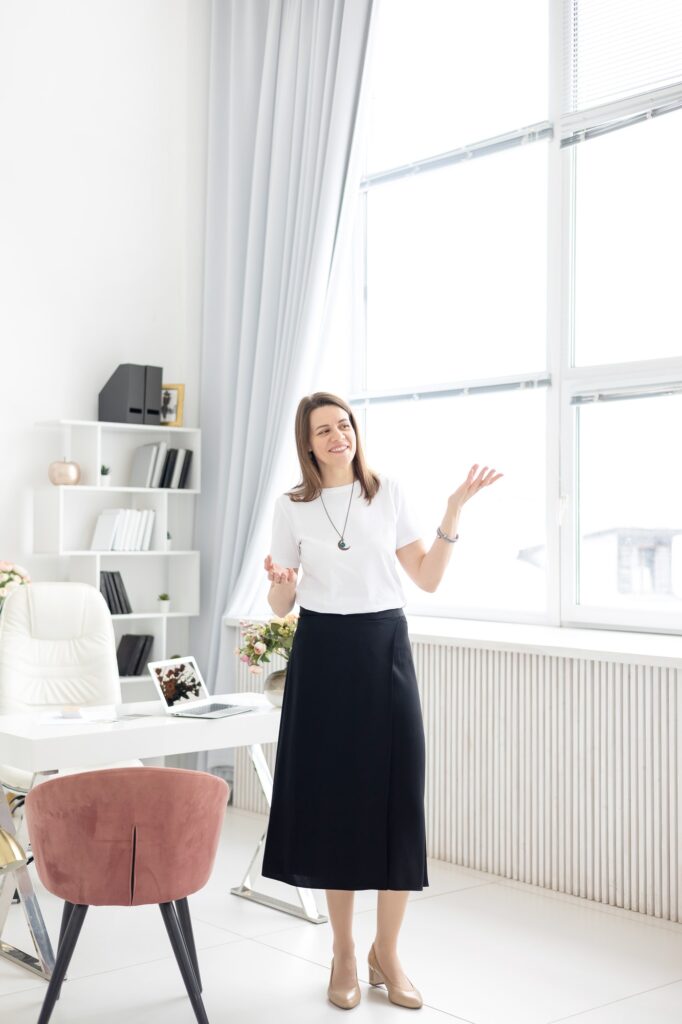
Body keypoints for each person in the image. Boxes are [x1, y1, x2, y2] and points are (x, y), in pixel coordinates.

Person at [261, 391, 502, 1010]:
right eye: (325, 429)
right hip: (321, 655)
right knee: (335, 805)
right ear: (307, 443)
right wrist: (280, 585)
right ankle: (343, 952)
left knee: (398, 801)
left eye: (345, 424)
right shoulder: (292, 508)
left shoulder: (386, 491)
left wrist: (452, 512)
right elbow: (282, 607)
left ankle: (385, 952)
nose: (339, 435)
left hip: (383, 646)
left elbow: (426, 577)